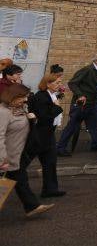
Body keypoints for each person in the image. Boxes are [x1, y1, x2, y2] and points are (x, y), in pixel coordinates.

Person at [0, 84, 54, 217]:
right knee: (6, 183)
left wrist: (32, 120)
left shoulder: (20, 109)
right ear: (13, 96)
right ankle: (32, 206)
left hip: (18, 154)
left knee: (20, 180)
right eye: (22, 97)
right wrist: (3, 158)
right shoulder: (3, 112)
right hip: (7, 155)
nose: (25, 100)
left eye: (25, 97)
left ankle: (32, 207)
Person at [24, 74, 66, 197]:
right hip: (39, 135)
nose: (59, 85)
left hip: (48, 134)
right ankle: (6, 181)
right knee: (23, 162)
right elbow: (44, 116)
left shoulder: (51, 95)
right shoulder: (41, 97)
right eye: (57, 83)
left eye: (60, 83)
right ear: (48, 83)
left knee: (50, 161)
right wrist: (57, 107)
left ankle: (50, 189)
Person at [56, 54, 97, 156]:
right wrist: (80, 95)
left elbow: (91, 84)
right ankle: (60, 148)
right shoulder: (87, 69)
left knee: (96, 125)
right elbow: (72, 83)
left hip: (94, 102)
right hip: (82, 104)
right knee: (72, 126)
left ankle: (96, 146)